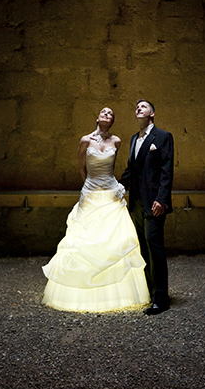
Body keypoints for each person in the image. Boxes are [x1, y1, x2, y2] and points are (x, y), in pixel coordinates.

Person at [42, 106, 150, 312]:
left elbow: (113, 167)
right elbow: (81, 166)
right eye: (104, 112)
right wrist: (87, 187)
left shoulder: (116, 141)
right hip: (91, 191)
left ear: (112, 121)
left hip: (110, 192)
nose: (107, 114)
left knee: (113, 237)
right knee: (86, 238)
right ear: (97, 117)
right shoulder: (85, 140)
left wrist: (115, 187)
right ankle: (80, 293)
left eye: (111, 114)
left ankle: (118, 293)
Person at [119, 99, 174, 315]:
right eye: (136, 107)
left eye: (143, 106)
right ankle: (150, 293)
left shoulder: (162, 137)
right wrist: (115, 187)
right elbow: (131, 170)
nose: (138, 109)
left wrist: (161, 199)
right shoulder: (134, 139)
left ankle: (161, 299)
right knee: (143, 247)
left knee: (155, 247)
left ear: (152, 113)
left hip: (154, 202)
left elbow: (166, 171)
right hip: (137, 203)